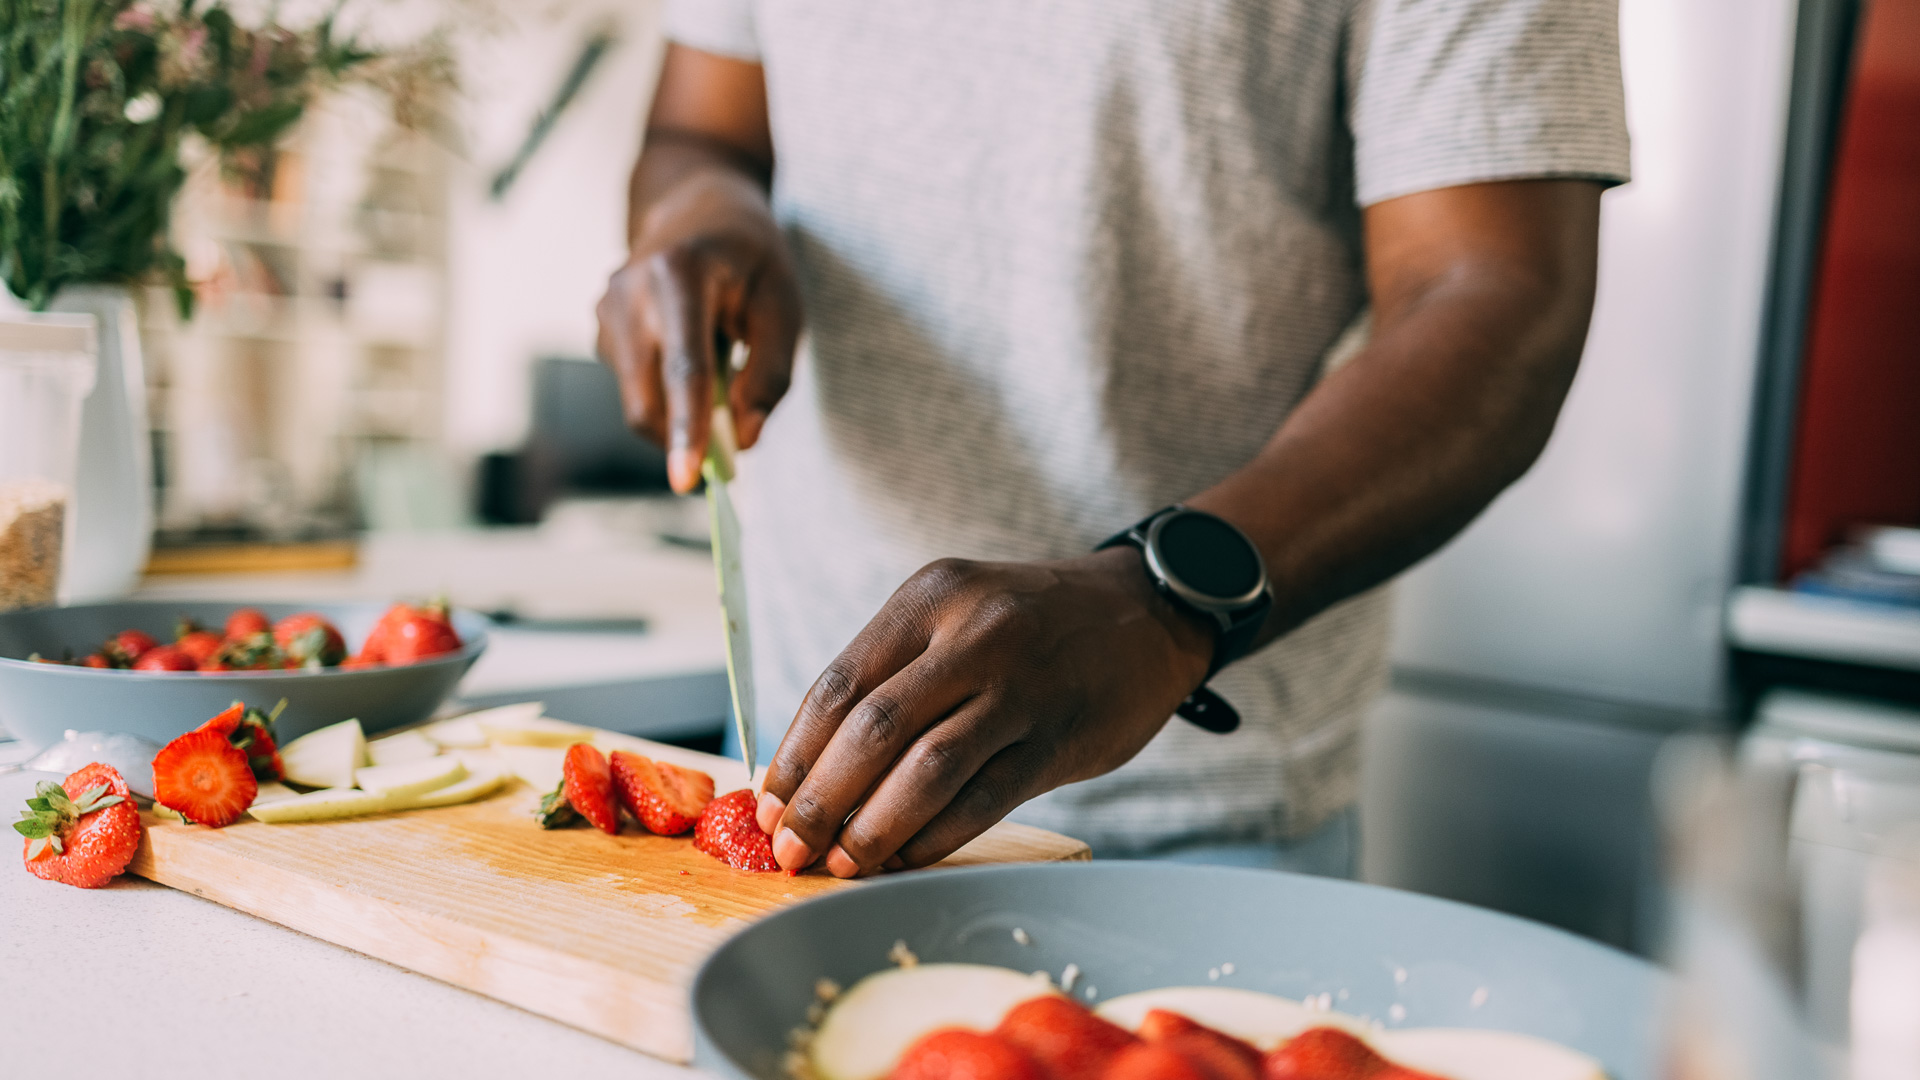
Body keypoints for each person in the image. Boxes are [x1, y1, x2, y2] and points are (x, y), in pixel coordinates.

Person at [595, 0, 1629, 879]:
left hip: (1197, 831)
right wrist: (700, 221)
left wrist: (1164, 601)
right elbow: (704, 133)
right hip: (794, 764)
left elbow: (1494, 291)